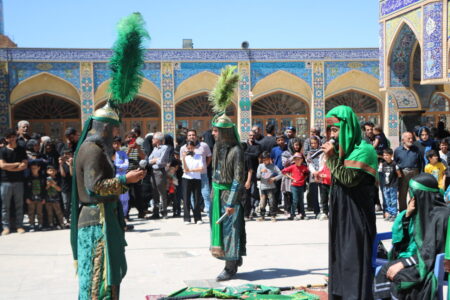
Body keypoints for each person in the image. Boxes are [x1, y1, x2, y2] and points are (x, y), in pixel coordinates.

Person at [71, 104, 145, 299]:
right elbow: (95, 186)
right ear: (105, 128)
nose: (116, 134)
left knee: (106, 272)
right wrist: (124, 179)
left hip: (102, 216)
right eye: (114, 129)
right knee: (99, 275)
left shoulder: (93, 148)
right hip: (97, 221)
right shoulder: (92, 150)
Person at [321, 105, 378, 300]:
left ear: (348, 128)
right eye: (330, 130)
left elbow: (348, 179)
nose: (332, 135)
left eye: (335, 130)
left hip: (357, 214)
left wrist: (331, 158)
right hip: (340, 210)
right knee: (340, 254)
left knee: (353, 256)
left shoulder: (365, 150)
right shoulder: (342, 152)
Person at [374, 173, 450, 299]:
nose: (410, 195)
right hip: (421, 259)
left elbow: (431, 251)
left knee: (397, 276)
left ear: (421, 195)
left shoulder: (441, 216)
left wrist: (404, 263)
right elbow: (401, 243)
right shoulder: (419, 212)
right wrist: (407, 216)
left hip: (431, 264)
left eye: (412, 191)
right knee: (385, 269)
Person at [208, 66, 246, 282]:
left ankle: (230, 267)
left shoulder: (235, 150)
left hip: (230, 197)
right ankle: (233, 259)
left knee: (231, 231)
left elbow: (238, 179)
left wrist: (231, 201)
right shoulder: (217, 147)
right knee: (222, 231)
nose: (213, 133)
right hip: (217, 194)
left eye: (215, 130)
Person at [0, 128, 28, 235]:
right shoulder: (2, 151)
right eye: (9, 137)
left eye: (13, 136)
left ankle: (19, 226)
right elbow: (2, 165)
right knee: (5, 206)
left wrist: (10, 167)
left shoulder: (21, 149)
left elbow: (24, 165)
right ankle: (6, 227)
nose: (12, 139)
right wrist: (16, 164)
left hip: (18, 181)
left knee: (19, 204)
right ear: (6, 139)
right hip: (5, 182)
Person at [180, 129, 212, 214]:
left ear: (196, 136)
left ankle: (208, 210)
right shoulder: (183, 148)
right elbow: (182, 161)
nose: (191, 136)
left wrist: (205, 166)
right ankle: (195, 212)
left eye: (193, 135)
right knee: (192, 195)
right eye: (189, 135)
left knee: (205, 193)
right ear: (187, 137)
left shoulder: (204, 145)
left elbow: (209, 157)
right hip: (190, 175)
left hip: (202, 174)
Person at [394, 132, 422, 212]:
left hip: (415, 172)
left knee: (414, 193)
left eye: (412, 138)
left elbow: (420, 162)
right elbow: (395, 163)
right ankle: (403, 212)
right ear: (403, 140)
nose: (411, 140)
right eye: (408, 138)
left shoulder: (416, 149)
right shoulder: (398, 150)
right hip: (403, 173)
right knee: (402, 194)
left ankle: (413, 210)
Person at [181, 141, 204, 225]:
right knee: (186, 198)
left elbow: (201, 168)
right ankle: (187, 218)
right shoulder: (185, 157)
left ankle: (198, 218)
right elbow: (184, 168)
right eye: (189, 148)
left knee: (197, 198)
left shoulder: (199, 156)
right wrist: (183, 158)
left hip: (196, 178)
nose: (190, 149)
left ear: (194, 148)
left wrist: (191, 170)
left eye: (192, 147)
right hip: (186, 179)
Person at [148, 132, 170, 219]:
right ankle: (155, 212)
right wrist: (155, 160)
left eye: (153, 138)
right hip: (153, 171)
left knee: (162, 192)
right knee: (154, 193)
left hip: (160, 171)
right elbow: (149, 160)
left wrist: (155, 160)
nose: (152, 140)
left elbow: (161, 161)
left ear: (158, 140)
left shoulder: (165, 148)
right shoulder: (155, 149)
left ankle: (164, 212)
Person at [256, 151, 282, 222]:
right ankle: (262, 216)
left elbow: (281, 174)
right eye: (263, 160)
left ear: (269, 159)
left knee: (272, 201)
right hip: (263, 188)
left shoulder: (273, 166)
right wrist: (261, 172)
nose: (265, 161)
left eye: (266, 159)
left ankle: (273, 215)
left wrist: (274, 178)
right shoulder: (260, 166)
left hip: (271, 188)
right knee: (262, 202)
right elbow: (257, 176)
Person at [282, 153, 309, 220]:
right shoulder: (292, 167)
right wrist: (291, 178)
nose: (297, 161)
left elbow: (307, 173)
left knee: (301, 200)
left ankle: (303, 214)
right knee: (295, 200)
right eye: (296, 159)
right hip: (294, 186)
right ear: (294, 160)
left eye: (299, 159)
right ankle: (292, 214)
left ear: (302, 160)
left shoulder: (304, 167)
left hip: (301, 186)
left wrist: (304, 179)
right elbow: (283, 171)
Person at [281, 137, 302, 217]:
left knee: (298, 193)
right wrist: (293, 157)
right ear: (291, 145)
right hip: (288, 176)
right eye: (295, 145)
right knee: (288, 193)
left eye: (298, 145)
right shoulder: (285, 153)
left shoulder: (301, 153)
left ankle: (299, 211)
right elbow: (284, 164)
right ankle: (287, 210)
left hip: (298, 176)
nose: (297, 147)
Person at [243, 131, 261, 220]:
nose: (252, 137)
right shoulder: (244, 145)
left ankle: (253, 209)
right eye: (250, 135)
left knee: (253, 192)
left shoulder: (258, 146)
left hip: (253, 171)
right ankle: (246, 211)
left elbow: (256, 154)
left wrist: (246, 153)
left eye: (253, 135)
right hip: (244, 172)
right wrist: (250, 154)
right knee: (245, 193)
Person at [25, 160, 46, 232]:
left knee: (39, 212)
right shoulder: (28, 178)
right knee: (31, 212)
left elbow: (44, 189)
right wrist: (27, 198)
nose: (34, 169)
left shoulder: (42, 178)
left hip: (40, 198)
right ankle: (32, 224)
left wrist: (44, 198)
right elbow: (26, 189)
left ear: (39, 168)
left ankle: (40, 224)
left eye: (35, 168)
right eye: (32, 168)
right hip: (31, 198)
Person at [112, 137, 130, 222]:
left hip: (122, 177)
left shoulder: (123, 154)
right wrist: (118, 167)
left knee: (124, 198)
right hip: (113, 178)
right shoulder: (110, 154)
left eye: (117, 143)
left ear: (120, 144)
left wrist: (117, 167)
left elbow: (126, 165)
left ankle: (124, 214)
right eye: (114, 143)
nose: (115, 145)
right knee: (115, 197)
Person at [380, 148, 398, 221]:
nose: (385, 157)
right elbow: (382, 174)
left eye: (387, 155)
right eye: (384, 155)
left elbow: (399, 174)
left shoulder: (394, 164)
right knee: (387, 200)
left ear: (391, 155)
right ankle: (389, 214)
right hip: (385, 185)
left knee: (393, 200)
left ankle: (394, 214)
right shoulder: (383, 164)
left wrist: (396, 183)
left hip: (393, 185)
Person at [45, 165, 65, 229]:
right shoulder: (45, 179)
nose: (52, 172)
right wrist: (48, 185)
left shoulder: (58, 179)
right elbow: (44, 189)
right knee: (49, 213)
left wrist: (53, 185)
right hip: (48, 199)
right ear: (47, 171)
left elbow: (59, 189)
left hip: (56, 199)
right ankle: (51, 224)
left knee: (58, 212)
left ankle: (61, 223)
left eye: (53, 170)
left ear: (56, 172)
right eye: (50, 170)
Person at [59, 149, 73, 222]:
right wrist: (61, 164)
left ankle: (72, 217)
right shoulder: (62, 164)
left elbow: (72, 174)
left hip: (72, 186)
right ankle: (66, 217)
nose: (66, 155)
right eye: (65, 154)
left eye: (68, 154)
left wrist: (70, 164)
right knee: (65, 203)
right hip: (65, 186)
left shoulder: (74, 163)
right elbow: (63, 175)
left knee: (72, 203)